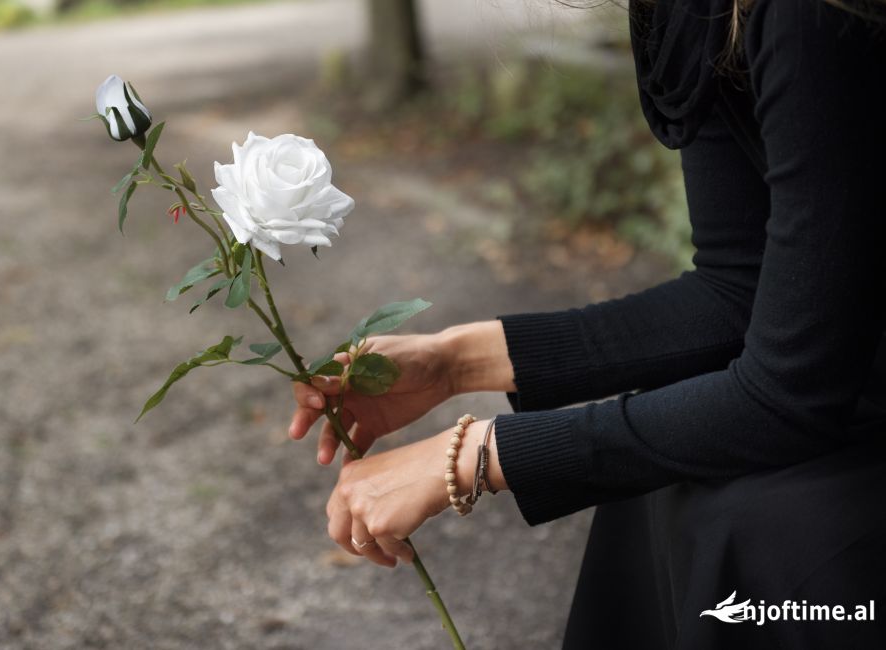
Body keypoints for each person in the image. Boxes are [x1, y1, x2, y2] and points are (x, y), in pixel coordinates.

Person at [287, 0, 886, 647]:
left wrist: (475, 456)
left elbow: (792, 393)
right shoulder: (690, 14)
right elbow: (737, 286)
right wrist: (453, 362)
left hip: (840, 378)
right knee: (663, 473)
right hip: (841, 361)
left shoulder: (807, 16)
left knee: (756, 523)